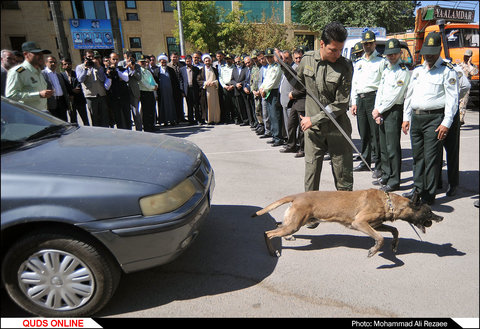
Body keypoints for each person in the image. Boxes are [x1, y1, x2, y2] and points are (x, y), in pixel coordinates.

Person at [295, 22, 353, 192]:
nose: (337, 54)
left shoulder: (345, 66)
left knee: (344, 178)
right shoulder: (307, 60)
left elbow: (340, 104)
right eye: (333, 50)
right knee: (311, 177)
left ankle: (346, 215)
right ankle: (311, 217)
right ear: (322, 44)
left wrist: (313, 119)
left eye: (340, 50)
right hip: (313, 132)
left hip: (337, 129)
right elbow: (298, 85)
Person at [402, 32, 459, 205]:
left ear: (439, 51)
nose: (428, 56)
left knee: (431, 158)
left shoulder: (447, 71)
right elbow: (409, 96)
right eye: (426, 52)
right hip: (417, 118)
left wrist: (446, 123)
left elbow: (452, 100)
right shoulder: (418, 71)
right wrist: (406, 117)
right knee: (418, 156)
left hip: (435, 119)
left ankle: (428, 195)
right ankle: (418, 189)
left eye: (432, 53)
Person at [371, 39, 411, 192]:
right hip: (381, 110)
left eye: (394, 54)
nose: (391, 56)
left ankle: (394, 180)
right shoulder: (387, 69)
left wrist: (379, 109)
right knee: (383, 146)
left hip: (393, 111)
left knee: (392, 147)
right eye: (389, 54)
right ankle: (386, 174)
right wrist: (377, 109)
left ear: (400, 53)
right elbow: (380, 91)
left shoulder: (402, 71)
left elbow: (396, 95)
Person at [350, 30, 385, 178]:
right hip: (361, 99)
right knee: (363, 132)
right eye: (365, 43)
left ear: (374, 43)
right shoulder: (359, 63)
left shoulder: (382, 61)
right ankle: (365, 161)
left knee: (375, 135)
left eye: (370, 43)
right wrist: (354, 102)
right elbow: (355, 83)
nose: (367, 46)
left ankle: (378, 165)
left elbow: (384, 84)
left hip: (374, 98)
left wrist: (379, 105)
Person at [436, 58, 471, 197]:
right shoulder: (428, 67)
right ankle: (436, 180)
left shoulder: (454, 69)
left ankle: (453, 183)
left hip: (451, 112)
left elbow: (466, 86)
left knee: (451, 150)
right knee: (435, 150)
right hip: (436, 112)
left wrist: (455, 99)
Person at [5, 41, 53, 110]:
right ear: (25, 54)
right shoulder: (18, 72)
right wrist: (38, 94)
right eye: (36, 53)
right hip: (27, 116)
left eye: (41, 54)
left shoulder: (38, 71)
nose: (41, 56)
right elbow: (11, 95)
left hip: (42, 114)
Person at [279, 47, 306, 158]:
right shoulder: (294, 67)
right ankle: (291, 145)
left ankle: (302, 149)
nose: (298, 60)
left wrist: (293, 94)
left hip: (303, 101)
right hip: (294, 102)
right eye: (296, 58)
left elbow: (304, 88)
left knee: (302, 127)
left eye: (300, 57)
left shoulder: (305, 69)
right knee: (291, 124)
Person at [75, 49, 109, 127]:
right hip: (91, 96)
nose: (91, 58)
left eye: (92, 56)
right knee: (95, 117)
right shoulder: (80, 67)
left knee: (104, 117)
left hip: (101, 94)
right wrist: (86, 68)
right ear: (84, 57)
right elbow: (80, 79)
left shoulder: (97, 66)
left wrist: (98, 67)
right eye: (89, 57)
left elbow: (103, 79)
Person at [259, 48, 284, 147]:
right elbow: (266, 80)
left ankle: (278, 138)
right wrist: (261, 88)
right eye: (267, 57)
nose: (269, 59)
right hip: (267, 91)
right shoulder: (269, 67)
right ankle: (274, 136)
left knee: (275, 115)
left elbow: (272, 81)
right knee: (270, 115)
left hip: (273, 91)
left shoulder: (276, 67)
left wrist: (264, 90)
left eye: (270, 57)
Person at [104, 52, 131, 129]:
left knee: (127, 116)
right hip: (114, 98)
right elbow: (106, 87)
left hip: (124, 96)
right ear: (109, 59)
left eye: (117, 59)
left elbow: (126, 79)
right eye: (113, 59)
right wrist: (109, 76)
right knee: (118, 118)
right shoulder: (106, 70)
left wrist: (117, 71)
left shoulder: (122, 69)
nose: (115, 61)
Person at [60, 58, 90, 125]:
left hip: (80, 100)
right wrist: (71, 91)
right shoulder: (61, 76)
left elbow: (78, 86)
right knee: (73, 121)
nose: (67, 65)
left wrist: (72, 90)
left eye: (69, 64)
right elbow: (63, 87)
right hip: (70, 101)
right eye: (65, 64)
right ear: (62, 66)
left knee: (85, 119)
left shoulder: (76, 73)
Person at [42, 55, 70, 121]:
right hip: (51, 103)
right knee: (55, 122)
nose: (53, 64)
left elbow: (64, 89)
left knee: (64, 121)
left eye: (55, 62)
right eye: (51, 62)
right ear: (46, 63)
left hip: (61, 101)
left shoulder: (58, 75)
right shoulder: (42, 74)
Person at [119, 51, 142, 131]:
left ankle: (139, 129)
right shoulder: (121, 64)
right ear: (126, 57)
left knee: (136, 112)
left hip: (134, 91)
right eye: (128, 58)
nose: (130, 60)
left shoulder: (137, 66)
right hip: (123, 91)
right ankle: (127, 129)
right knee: (126, 111)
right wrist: (126, 67)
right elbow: (120, 76)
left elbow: (139, 78)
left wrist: (133, 69)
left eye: (132, 59)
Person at [153, 54, 178, 126]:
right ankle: (164, 121)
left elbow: (175, 81)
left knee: (171, 105)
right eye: (162, 62)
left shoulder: (171, 70)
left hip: (170, 91)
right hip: (161, 92)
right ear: (160, 62)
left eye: (164, 62)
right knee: (162, 106)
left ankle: (172, 120)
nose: (163, 63)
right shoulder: (156, 71)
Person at [198, 54, 221, 124]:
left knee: (215, 105)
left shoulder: (214, 70)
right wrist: (205, 83)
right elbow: (198, 80)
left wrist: (214, 82)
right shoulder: (201, 71)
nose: (207, 62)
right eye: (206, 61)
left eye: (209, 61)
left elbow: (218, 79)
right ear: (204, 62)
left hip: (214, 90)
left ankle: (216, 119)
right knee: (207, 106)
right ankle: (209, 119)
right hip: (206, 91)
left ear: (211, 61)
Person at [138, 54, 158, 132]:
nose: (144, 64)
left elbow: (153, 81)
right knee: (146, 111)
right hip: (144, 92)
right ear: (138, 62)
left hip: (151, 93)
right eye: (142, 62)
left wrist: (156, 85)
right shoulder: (139, 72)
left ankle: (152, 125)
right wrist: (153, 87)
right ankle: (147, 127)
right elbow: (143, 83)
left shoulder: (147, 71)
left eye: (145, 62)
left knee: (151, 110)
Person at [278, 50, 295, 140]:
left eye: (287, 58)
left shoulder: (294, 68)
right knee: (287, 123)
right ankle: (290, 141)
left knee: (291, 124)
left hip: (290, 100)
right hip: (284, 100)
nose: (285, 60)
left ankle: (294, 142)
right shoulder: (285, 68)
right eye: (283, 58)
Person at [458, 49, 478, 125]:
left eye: (468, 57)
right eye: (465, 56)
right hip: (458, 86)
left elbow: (473, 72)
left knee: (463, 104)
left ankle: (460, 119)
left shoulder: (473, 67)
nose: (466, 58)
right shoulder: (459, 65)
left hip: (466, 88)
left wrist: (469, 64)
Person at [180, 55, 201, 125]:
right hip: (187, 89)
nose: (188, 62)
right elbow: (181, 81)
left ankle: (198, 119)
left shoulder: (196, 69)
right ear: (185, 61)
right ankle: (191, 120)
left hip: (194, 89)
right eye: (187, 61)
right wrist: (182, 90)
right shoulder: (182, 69)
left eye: (189, 61)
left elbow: (199, 79)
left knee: (196, 105)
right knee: (189, 105)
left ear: (192, 61)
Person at [167, 51, 186, 122]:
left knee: (181, 102)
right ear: (170, 58)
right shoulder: (168, 66)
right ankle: (176, 118)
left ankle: (182, 117)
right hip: (172, 86)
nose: (175, 58)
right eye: (173, 57)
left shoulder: (181, 65)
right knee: (174, 103)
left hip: (180, 86)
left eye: (176, 57)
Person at [251, 50, 265, 135]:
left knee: (263, 110)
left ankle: (264, 126)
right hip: (255, 92)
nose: (255, 60)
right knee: (257, 110)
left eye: (256, 58)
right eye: (254, 59)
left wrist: (260, 91)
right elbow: (251, 80)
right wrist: (253, 90)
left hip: (262, 92)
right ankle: (260, 124)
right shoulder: (254, 68)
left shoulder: (263, 67)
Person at [231, 55, 249, 125]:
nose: (237, 63)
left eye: (238, 61)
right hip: (237, 90)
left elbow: (247, 79)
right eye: (236, 62)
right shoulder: (234, 69)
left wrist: (240, 84)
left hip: (244, 89)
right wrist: (236, 84)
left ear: (241, 61)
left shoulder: (245, 69)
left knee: (246, 106)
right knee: (240, 106)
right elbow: (232, 80)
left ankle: (249, 120)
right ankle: (243, 120)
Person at [219, 53, 236, 124]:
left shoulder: (234, 67)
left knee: (234, 104)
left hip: (233, 87)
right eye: (226, 59)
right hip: (225, 87)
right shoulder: (223, 67)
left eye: (229, 59)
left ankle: (235, 118)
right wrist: (224, 86)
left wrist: (232, 85)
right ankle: (227, 119)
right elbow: (220, 77)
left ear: (232, 60)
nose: (227, 61)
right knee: (226, 104)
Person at [242, 55, 257, 128]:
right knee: (250, 108)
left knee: (256, 109)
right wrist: (244, 87)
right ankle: (253, 122)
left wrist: (251, 89)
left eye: (249, 62)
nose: (248, 64)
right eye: (246, 63)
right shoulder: (246, 70)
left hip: (253, 91)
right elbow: (245, 80)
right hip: (247, 91)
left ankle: (257, 123)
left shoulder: (255, 69)